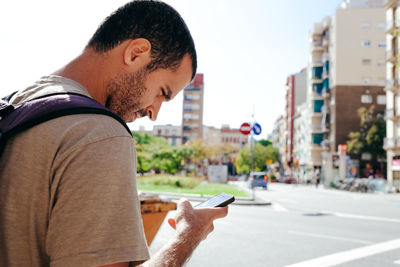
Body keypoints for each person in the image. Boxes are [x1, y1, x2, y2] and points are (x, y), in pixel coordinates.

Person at [0, 1, 228, 267]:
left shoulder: (17, 103)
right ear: (136, 53)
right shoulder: (101, 134)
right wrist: (188, 236)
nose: (154, 113)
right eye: (162, 93)